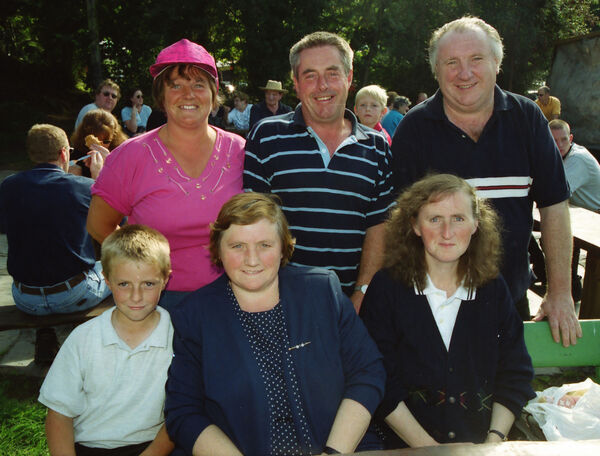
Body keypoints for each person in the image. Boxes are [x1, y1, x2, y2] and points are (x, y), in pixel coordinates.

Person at [391, 16, 581, 347]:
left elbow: (553, 205)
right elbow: (400, 226)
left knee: (512, 394)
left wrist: (560, 292)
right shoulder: (414, 128)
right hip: (435, 306)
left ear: (497, 63)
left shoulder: (527, 118)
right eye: (452, 62)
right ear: (437, 71)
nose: (464, 73)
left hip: (511, 300)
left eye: (476, 59)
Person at [165, 192, 385, 456]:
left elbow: (368, 372)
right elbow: (183, 411)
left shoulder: (322, 291)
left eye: (265, 245)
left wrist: (334, 452)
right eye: (237, 246)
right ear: (218, 250)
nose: (252, 259)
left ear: (282, 247)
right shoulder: (195, 314)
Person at [360, 174, 535, 448]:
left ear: (476, 224)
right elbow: (377, 379)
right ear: (415, 226)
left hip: (482, 446)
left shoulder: (492, 288)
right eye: (434, 219)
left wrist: (493, 442)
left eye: (458, 218)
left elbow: (515, 371)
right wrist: (431, 450)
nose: (447, 232)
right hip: (401, 447)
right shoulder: (387, 288)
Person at [87, 38, 245, 309]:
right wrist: (141, 267)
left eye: (198, 85)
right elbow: (98, 225)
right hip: (160, 302)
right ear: (161, 95)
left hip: (235, 295)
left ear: (213, 93)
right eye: (176, 85)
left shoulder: (241, 152)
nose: (188, 94)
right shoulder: (130, 156)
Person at [244, 31, 395, 312]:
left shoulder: (377, 147)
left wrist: (361, 295)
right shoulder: (266, 136)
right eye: (310, 75)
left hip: (351, 307)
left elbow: (379, 228)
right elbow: (254, 222)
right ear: (296, 84)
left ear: (349, 79)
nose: (322, 85)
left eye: (332, 73)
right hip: (279, 303)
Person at [39, 224, 175, 455]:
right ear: (107, 281)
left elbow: (182, 412)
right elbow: (59, 415)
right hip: (89, 446)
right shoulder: (83, 339)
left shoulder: (178, 337)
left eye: (148, 284)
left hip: (153, 447)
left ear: (165, 279)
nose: (136, 296)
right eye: (124, 284)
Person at [0, 124, 109, 364]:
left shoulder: (8, 186)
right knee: (115, 269)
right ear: (63, 153)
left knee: (44, 259)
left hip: (25, 297)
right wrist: (101, 179)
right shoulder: (84, 187)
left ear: (32, 154)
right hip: (74, 294)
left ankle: (46, 335)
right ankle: (95, 347)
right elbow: (115, 224)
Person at [549, 119, 600, 211]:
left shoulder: (578, 158)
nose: (559, 144)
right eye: (554, 140)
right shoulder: (554, 156)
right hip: (581, 213)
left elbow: (556, 193)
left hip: (595, 216)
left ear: (570, 139)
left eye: (564, 139)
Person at [70, 109, 128, 179]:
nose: (100, 146)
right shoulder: (76, 156)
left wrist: (109, 164)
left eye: (106, 141)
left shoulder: (121, 155)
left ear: (114, 138)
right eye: (94, 142)